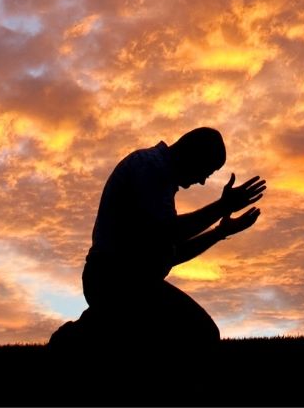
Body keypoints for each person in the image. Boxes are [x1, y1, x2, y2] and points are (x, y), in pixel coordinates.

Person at [50, 126, 265, 350]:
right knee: (198, 333)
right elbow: (169, 233)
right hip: (114, 281)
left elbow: (169, 252)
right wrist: (223, 206)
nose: (202, 181)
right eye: (206, 172)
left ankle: (89, 331)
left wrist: (220, 232)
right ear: (193, 154)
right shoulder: (149, 168)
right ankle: (76, 339)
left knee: (199, 332)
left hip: (133, 283)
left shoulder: (160, 179)